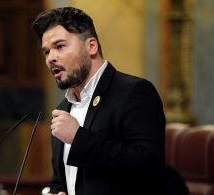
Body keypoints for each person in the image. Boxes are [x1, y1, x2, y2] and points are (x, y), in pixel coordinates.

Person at [32, 7, 166, 195]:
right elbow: (61, 181)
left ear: (91, 46)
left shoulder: (133, 92)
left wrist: (78, 138)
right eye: (46, 52)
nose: (51, 58)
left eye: (60, 46)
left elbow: (147, 165)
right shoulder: (63, 110)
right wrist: (58, 191)